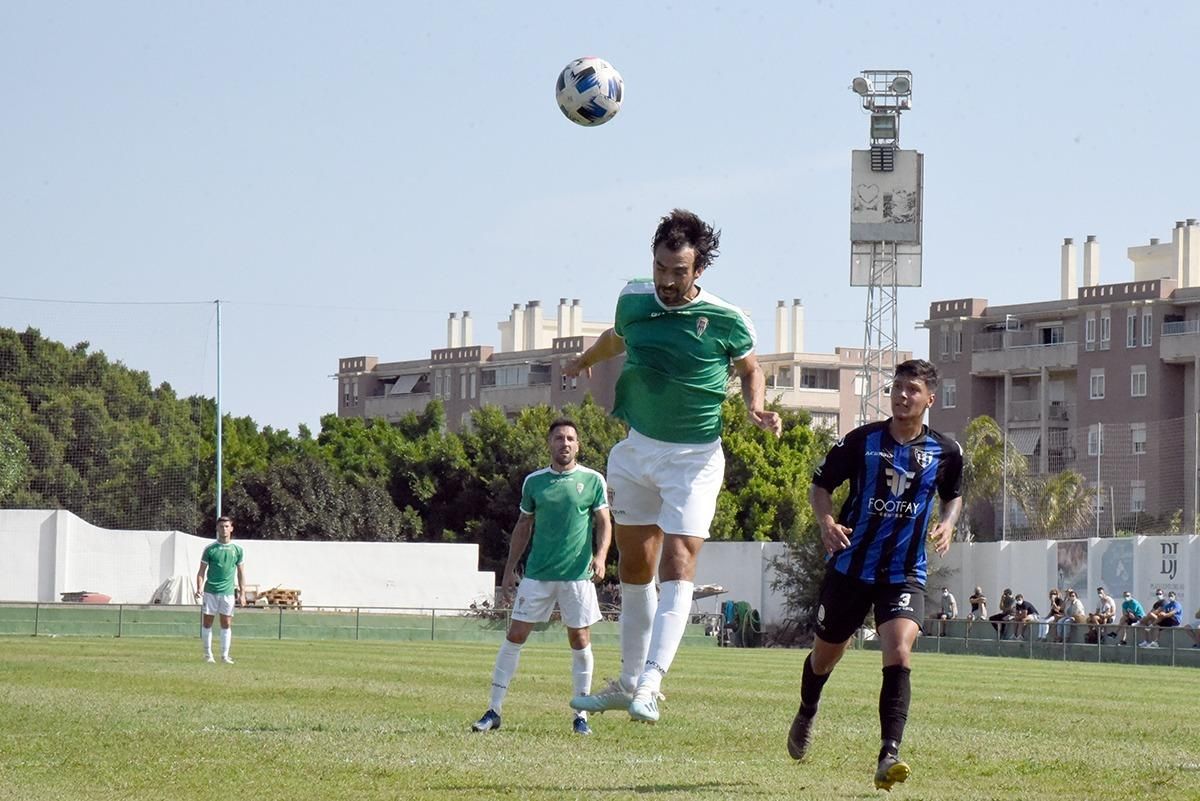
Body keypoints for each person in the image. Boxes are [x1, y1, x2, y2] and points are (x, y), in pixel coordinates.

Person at [567, 209, 782, 725]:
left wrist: (755, 407)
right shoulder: (633, 299)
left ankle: (652, 683)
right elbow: (616, 340)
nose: (666, 280)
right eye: (661, 268)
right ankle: (627, 681)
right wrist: (583, 361)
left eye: (678, 272)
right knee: (635, 570)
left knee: (678, 563)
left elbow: (750, 367)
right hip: (637, 449)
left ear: (698, 270)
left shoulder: (728, 318)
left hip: (694, 458)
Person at [786, 359, 963, 792]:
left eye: (913, 390)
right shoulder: (862, 441)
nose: (902, 396)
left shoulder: (947, 451)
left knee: (900, 651)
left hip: (904, 572)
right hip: (850, 566)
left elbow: (953, 495)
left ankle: (889, 754)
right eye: (897, 388)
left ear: (930, 399)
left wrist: (949, 521)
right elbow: (821, 486)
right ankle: (808, 708)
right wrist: (827, 522)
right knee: (825, 656)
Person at [472, 419, 612, 736]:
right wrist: (510, 569)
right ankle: (493, 710)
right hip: (537, 574)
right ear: (549, 443)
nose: (565, 443)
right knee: (515, 635)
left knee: (579, 639)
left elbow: (604, 522)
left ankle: (581, 715)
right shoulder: (534, 482)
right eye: (559, 438)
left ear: (578, 445)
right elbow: (524, 526)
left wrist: (601, 557)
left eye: (571, 439)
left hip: (577, 576)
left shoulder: (593, 481)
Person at [194, 516, 246, 664]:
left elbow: (241, 573)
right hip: (210, 592)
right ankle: (208, 655)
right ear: (217, 528)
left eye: (226, 526)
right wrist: (199, 587)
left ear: (231, 528)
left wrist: (242, 594)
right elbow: (201, 572)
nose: (224, 529)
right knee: (207, 623)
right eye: (221, 526)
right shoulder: (210, 549)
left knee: (226, 623)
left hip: (228, 593)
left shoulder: (237, 550)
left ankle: (224, 656)